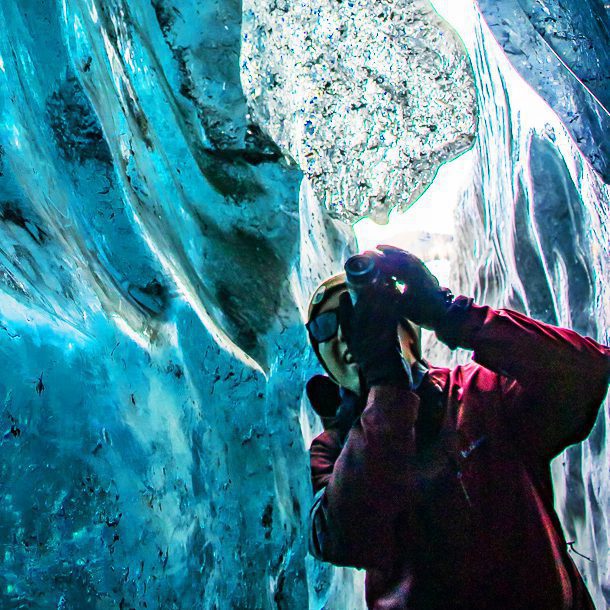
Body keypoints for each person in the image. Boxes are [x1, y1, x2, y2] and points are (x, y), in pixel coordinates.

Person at [305, 245, 610, 610]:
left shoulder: (483, 394)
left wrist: (447, 312)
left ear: (410, 336)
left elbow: (584, 374)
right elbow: (345, 536)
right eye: (330, 332)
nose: (349, 340)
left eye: (359, 321)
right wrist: (387, 388)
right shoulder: (334, 452)